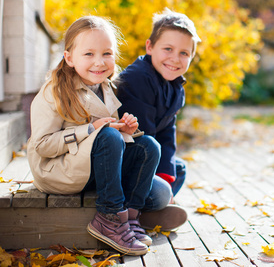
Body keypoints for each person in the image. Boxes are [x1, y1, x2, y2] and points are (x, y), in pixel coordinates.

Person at [27, 16, 173, 256]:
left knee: (149, 146)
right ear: (69, 58)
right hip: (59, 171)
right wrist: (91, 130)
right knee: (154, 190)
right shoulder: (55, 91)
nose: (99, 62)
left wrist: (124, 131)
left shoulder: (106, 87)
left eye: (107, 53)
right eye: (89, 54)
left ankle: (130, 218)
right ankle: (109, 219)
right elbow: (42, 145)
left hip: (91, 166)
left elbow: (106, 138)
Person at [115, 8, 200, 229]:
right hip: (124, 161)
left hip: (144, 159)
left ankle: (149, 213)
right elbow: (144, 141)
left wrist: (165, 175)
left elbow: (167, 132)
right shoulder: (138, 79)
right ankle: (134, 213)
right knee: (162, 191)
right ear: (150, 47)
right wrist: (162, 184)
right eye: (168, 49)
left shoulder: (175, 85)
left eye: (184, 53)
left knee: (177, 169)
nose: (175, 58)